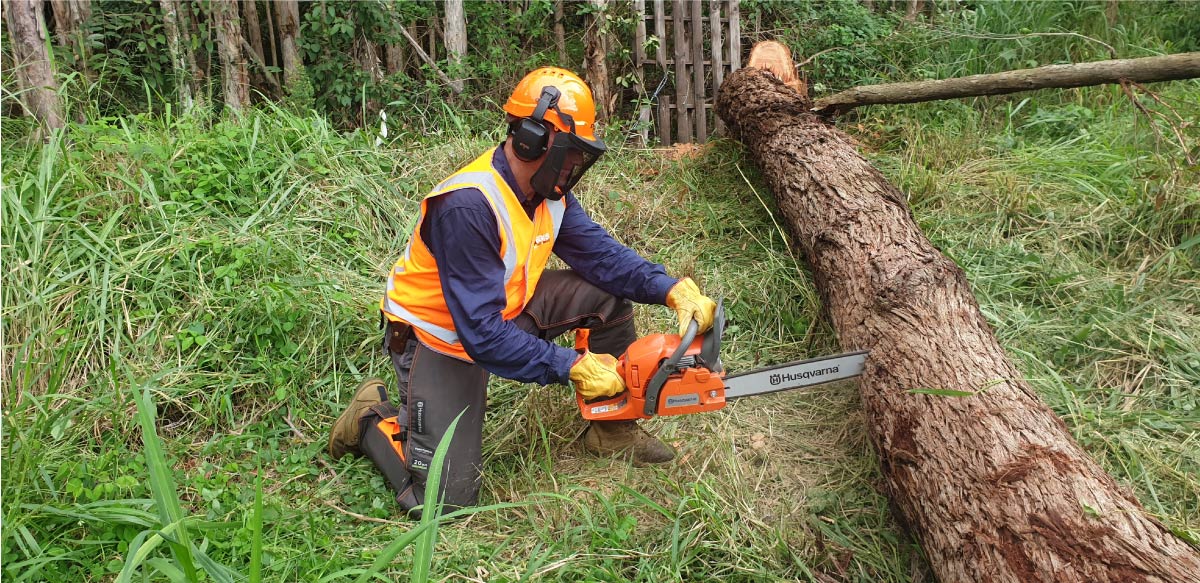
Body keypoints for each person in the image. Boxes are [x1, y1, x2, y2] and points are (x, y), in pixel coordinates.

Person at [327, 67, 717, 517]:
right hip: (440, 339)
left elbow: (601, 257)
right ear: (532, 138)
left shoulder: (550, 194)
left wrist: (671, 289)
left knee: (605, 297)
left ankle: (613, 432)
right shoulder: (467, 206)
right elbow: (480, 335)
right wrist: (571, 364)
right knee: (444, 503)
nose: (576, 167)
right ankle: (371, 417)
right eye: (572, 154)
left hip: (501, 311)